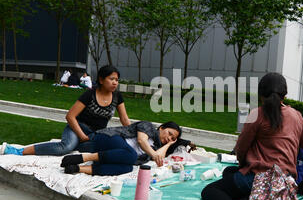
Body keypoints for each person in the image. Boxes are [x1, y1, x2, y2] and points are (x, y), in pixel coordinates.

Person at [201, 72, 303, 200]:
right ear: (285, 95)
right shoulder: (296, 116)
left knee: (210, 190)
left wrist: (243, 165)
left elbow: (241, 148)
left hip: (258, 177)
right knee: (229, 172)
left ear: (261, 94)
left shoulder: (257, 114)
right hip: (285, 182)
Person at [1, 65, 131, 156]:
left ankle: (76, 144)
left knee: (107, 146)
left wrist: (134, 135)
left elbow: (124, 119)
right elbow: (70, 116)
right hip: (77, 128)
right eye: (111, 79)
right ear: (101, 80)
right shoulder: (89, 94)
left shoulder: (117, 96)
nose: (115, 83)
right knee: (65, 147)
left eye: (117, 80)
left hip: (95, 133)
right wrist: (81, 136)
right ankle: (17, 151)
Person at [60, 121, 182, 176]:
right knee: (132, 155)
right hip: (110, 138)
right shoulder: (148, 126)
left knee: (128, 167)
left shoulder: (156, 146)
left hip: (117, 155)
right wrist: (154, 155)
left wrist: (168, 144)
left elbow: (158, 154)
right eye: (169, 133)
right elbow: (141, 140)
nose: (169, 138)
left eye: (172, 138)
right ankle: (82, 158)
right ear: (161, 128)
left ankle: (77, 168)